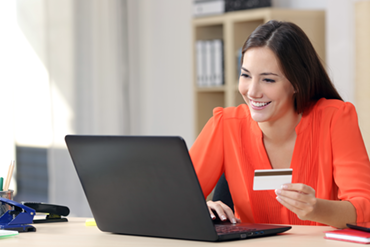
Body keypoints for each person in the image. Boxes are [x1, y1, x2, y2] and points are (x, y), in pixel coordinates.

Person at [189, 20, 370, 229]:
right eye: (246, 75)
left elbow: (365, 207)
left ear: (296, 83)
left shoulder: (335, 119)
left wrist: (316, 208)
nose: (252, 91)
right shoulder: (224, 125)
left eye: (268, 80)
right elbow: (172, 201)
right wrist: (204, 209)